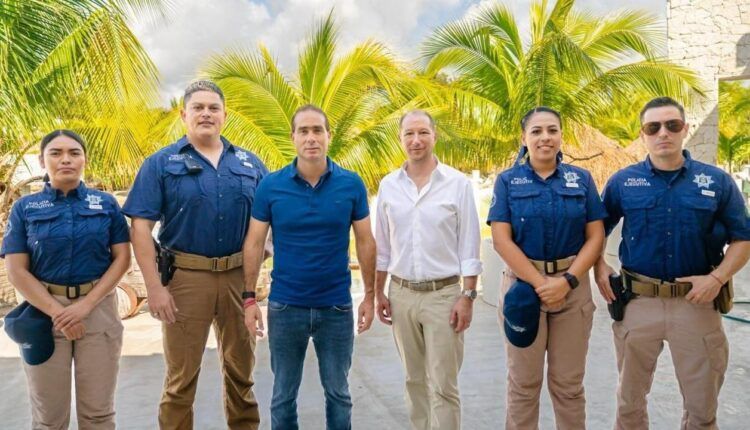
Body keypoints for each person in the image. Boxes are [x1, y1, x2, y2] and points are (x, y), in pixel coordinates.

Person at [594, 96, 750, 430]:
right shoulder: (623, 182)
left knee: (702, 408)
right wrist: (599, 266)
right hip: (638, 303)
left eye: (672, 125)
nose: (663, 133)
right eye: (653, 127)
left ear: (685, 129)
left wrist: (717, 279)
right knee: (629, 404)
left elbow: (743, 238)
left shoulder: (716, 181)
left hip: (697, 303)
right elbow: (596, 229)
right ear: (643, 134)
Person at [123, 80, 268, 429]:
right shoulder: (160, 164)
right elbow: (140, 228)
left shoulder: (250, 164)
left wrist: (257, 265)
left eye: (213, 108)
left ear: (224, 115)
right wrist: (154, 288)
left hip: (238, 281)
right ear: (183, 114)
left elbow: (270, 221)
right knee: (180, 381)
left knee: (242, 376)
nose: (206, 114)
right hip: (185, 281)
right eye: (198, 107)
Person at [242, 104, 376, 430]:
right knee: (283, 396)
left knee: (339, 394)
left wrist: (370, 296)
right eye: (304, 131)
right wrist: (249, 299)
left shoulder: (351, 184)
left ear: (329, 135)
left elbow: (365, 241)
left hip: (336, 307)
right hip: (286, 306)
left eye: (318, 130)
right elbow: (254, 243)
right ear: (293, 137)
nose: (311, 138)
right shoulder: (271, 186)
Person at [2, 129, 131, 429]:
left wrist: (84, 307)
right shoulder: (25, 208)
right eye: (56, 153)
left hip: (98, 309)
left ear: (85, 159)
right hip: (44, 313)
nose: (66, 160)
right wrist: (59, 312)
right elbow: (16, 270)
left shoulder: (106, 203)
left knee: (98, 414)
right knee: (49, 417)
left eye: (74, 153)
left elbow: (122, 259)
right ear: (42, 160)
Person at [488, 106, 607, 429]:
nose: (545, 137)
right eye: (537, 131)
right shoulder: (507, 181)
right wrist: (542, 284)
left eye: (552, 130)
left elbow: (595, 236)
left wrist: (566, 281)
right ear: (524, 138)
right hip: (523, 289)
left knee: (568, 385)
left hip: (573, 288)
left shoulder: (581, 179)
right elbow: (501, 240)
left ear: (561, 135)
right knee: (523, 384)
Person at [373, 110, 482, 430]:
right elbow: (383, 248)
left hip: (444, 295)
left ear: (434, 136)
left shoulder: (457, 185)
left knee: (444, 385)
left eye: (422, 132)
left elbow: (470, 245)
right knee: (414, 380)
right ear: (401, 139)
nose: (416, 140)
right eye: (409, 134)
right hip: (401, 294)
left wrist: (468, 296)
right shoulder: (389, 186)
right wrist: (378, 292)